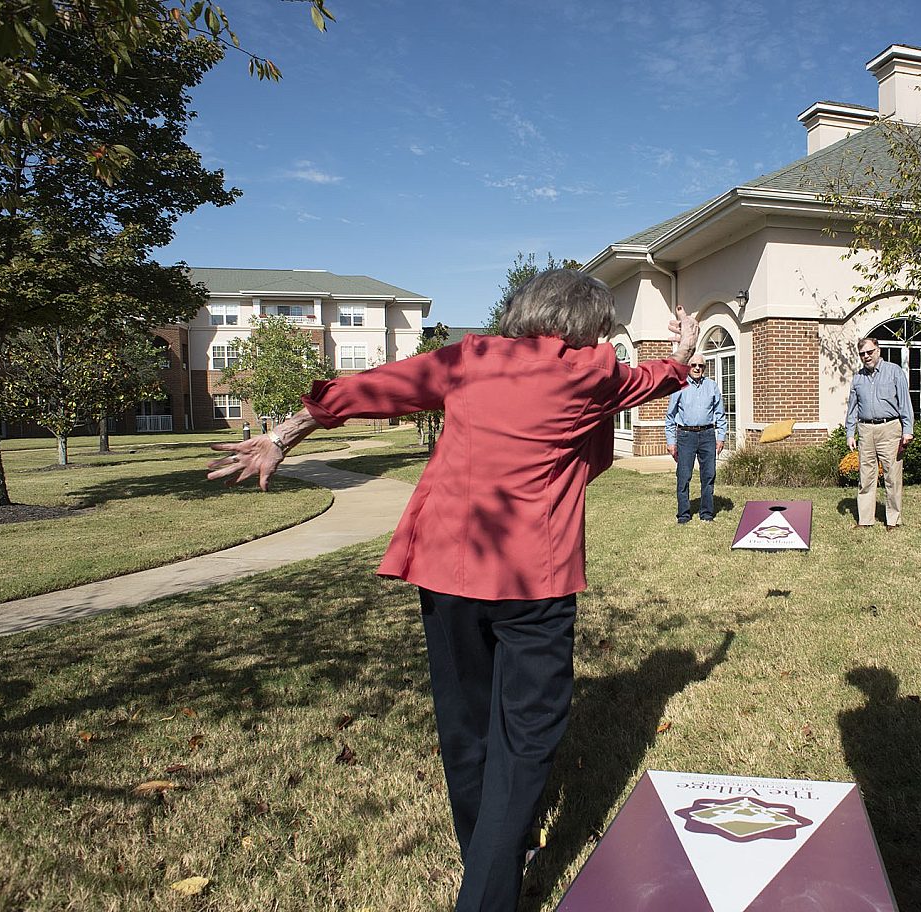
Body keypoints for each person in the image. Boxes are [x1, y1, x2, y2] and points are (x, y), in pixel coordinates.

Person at [208, 269, 701, 911]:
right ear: (587, 327)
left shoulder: (468, 358)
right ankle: (489, 886)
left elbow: (369, 390)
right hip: (534, 578)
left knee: (466, 722)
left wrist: (279, 437)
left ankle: (489, 852)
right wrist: (683, 351)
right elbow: (650, 380)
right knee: (530, 733)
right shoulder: (594, 371)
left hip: (446, 570)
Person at [844, 340, 914, 528]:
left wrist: (908, 430)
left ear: (878, 350)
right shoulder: (858, 378)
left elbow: (905, 403)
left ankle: (893, 520)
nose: (866, 356)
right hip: (865, 430)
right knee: (865, 476)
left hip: (890, 428)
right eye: (862, 354)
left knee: (892, 476)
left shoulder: (894, 371)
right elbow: (852, 408)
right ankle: (865, 520)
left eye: (869, 352)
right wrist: (850, 432)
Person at [664, 355, 727, 524]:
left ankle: (706, 513)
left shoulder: (712, 386)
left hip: (707, 435)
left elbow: (720, 414)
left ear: (705, 368)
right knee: (684, 476)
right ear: (688, 367)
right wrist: (671, 442)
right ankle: (683, 515)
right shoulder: (679, 387)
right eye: (694, 365)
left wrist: (721, 437)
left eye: (701, 366)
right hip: (686, 436)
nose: (697, 368)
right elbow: (670, 416)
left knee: (709, 475)